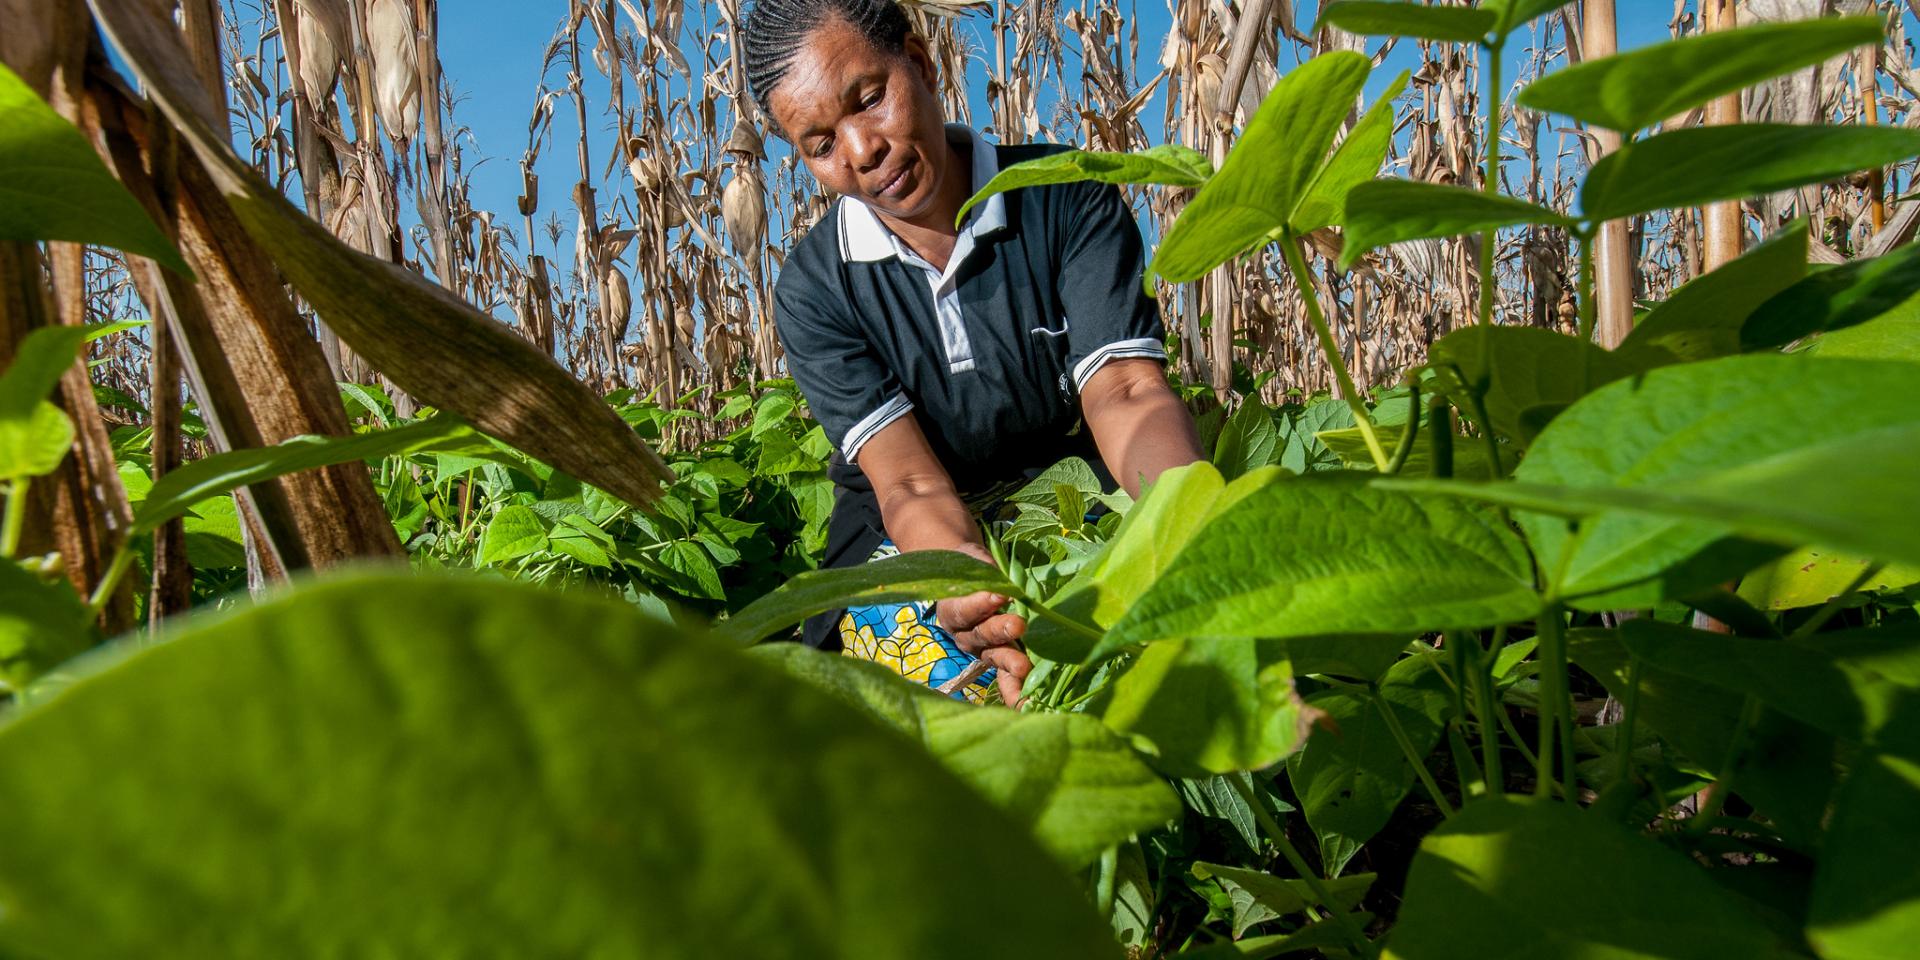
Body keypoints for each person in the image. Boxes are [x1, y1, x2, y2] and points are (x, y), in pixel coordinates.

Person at [744, 0, 1202, 704]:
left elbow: (1126, 393)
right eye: (820, 144)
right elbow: (910, 487)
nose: (862, 150)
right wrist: (965, 588)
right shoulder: (816, 287)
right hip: (908, 536)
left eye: (870, 100)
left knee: (1158, 643)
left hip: (1063, 497)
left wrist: (1189, 528)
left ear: (920, 64)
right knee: (969, 692)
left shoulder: (1064, 197)